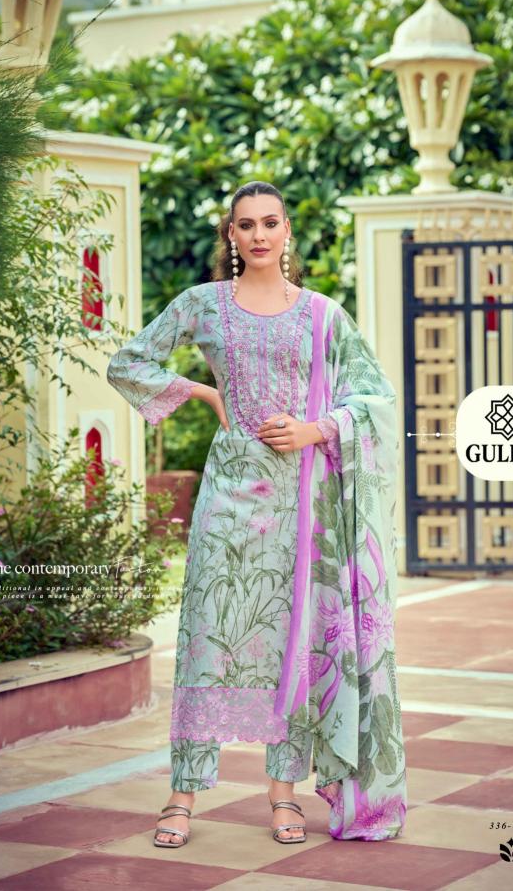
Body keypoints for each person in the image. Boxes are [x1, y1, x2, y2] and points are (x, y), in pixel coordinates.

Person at [106, 180, 407, 848]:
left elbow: (377, 398)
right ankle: (182, 793)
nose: (260, 234)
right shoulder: (203, 305)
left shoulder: (323, 315)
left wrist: (316, 429)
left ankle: (283, 794)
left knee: (291, 640)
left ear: (286, 231)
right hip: (228, 495)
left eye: (271, 222)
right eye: (247, 225)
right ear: (232, 236)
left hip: (302, 499)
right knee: (206, 634)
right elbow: (128, 361)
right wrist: (201, 391)